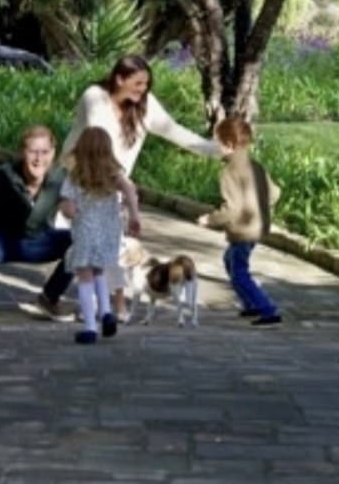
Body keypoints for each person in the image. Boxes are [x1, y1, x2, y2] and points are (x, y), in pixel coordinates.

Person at [61, 54, 226, 320]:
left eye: (146, 84)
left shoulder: (145, 105)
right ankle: (85, 303)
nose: (143, 90)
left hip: (113, 186)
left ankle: (109, 307)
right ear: (119, 79)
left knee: (110, 247)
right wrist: (123, 185)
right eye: (138, 83)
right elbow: (100, 142)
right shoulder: (94, 97)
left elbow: (175, 131)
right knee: (81, 245)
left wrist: (215, 149)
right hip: (81, 178)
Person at [0, 124, 73, 322]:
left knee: (82, 240)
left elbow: (78, 206)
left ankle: (49, 298)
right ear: (22, 152)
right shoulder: (3, 174)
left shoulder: (60, 177)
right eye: (32, 152)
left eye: (44, 152)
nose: (38, 159)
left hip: (38, 242)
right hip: (1, 242)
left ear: (53, 153)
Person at [197, 115, 282, 326]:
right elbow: (274, 194)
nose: (216, 146)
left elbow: (231, 209)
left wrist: (209, 219)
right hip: (258, 227)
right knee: (230, 260)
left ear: (229, 144)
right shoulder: (256, 166)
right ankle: (249, 304)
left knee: (239, 272)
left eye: (218, 142)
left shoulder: (228, 172)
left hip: (243, 230)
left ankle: (267, 308)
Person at [59, 126, 141, 344]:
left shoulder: (75, 178)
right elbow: (131, 192)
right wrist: (134, 216)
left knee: (84, 276)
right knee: (99, 272)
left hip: (86, 232)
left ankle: (89, 327)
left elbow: (67, 207)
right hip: (109, 233)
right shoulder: (114, 175)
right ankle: (105, 313)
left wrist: (70, 211)